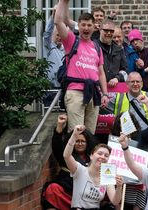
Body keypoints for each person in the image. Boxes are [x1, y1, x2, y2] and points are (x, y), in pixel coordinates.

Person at [54, 0, 109, 133]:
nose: (86, 28)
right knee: (76, 133)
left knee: (89, 134)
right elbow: (58, 22)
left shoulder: (96, 47)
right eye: (83, 25)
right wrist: (63, 2)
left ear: (94, 26)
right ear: (79, 26)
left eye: (89, 25)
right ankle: (71, 155)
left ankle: (89, 154)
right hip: (75, 92)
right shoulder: (71, 40)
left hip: (93, 93)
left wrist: (105, 94)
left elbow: (101, 73)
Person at [41, 114, 97, 210]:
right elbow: (57, 146)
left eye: (83, 141)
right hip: (67, 192)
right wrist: (59, 126)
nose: (79, 144)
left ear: (88, 143)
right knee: (52, 189)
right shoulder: (67, 156)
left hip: (86, 195)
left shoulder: (93, 158)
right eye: (77, 141)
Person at [63, 125, 123, 209]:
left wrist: (119, 187)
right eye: (99, 153)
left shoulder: (107, 177)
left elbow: (115, 201)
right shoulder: (80, 170)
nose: (102, 157)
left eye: (106, 155)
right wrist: (74, 135)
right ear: (91, 156)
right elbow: (66, 156)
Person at [98, 19, 128, 88]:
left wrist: (117, 78)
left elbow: (125, 71)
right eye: (106, 30)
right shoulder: (93, 46)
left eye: (111, 31)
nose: (109, 33)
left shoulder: (119, 49)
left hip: (116, 89)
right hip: (97, 88)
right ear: (100, 30)